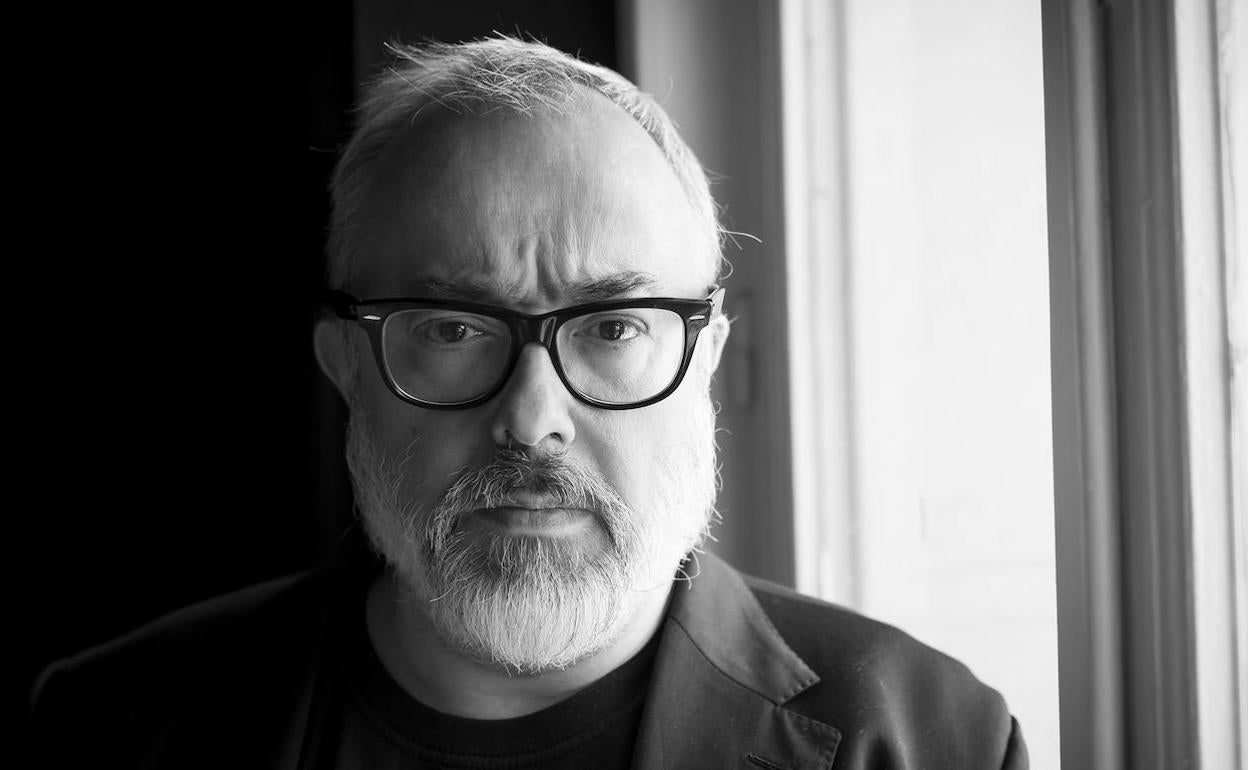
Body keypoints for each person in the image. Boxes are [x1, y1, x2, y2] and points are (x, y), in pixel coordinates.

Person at [30, 37, 1028, 769]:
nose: (531, 418)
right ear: (346, 365)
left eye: (615, 326)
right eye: (453, 329)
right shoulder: (107, 726)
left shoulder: (930, 742)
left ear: (706, 357)